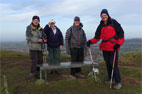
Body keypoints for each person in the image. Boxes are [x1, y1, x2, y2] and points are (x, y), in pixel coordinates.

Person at [87, 9, 125, 89]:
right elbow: (97, 37)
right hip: (105, 48)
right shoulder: (100, 25)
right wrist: (90, 41)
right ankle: (111, 79)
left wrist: (118, 44)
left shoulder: (114, 23)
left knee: (113, 65)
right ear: (101, 17)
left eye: (105, 15)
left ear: (107, 15)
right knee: (108, 64)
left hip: (113, 48)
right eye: (102, 16)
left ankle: (118, 82)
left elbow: (121, 35)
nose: (103, 17)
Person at [26, 15, 47, 81]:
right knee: (34, 61)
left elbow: (44, 36)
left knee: (40, 61)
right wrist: (37, 40)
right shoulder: (29, 28)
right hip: (33, 48)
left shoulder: (41, 28)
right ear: (32, 21)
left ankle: (38, 74)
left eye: (37, 20)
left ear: (39, 21)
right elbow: (28, 37)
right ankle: (31, 76)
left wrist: (44, 39)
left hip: (40, 48)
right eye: (35, 20)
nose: (36, 22)